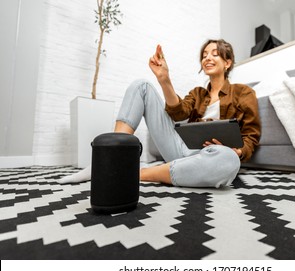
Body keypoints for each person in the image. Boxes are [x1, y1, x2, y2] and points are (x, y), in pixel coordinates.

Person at [59, 39, 260, 188]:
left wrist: (238, 151)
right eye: (204, 54)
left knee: (229, 161)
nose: (207, 57)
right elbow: (178, 113)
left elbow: (251, 136)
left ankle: (134, 173)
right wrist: (164, 79)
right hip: (181, 149)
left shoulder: (244, 93)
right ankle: (111, 159)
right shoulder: (198, 94)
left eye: (215, 53)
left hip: (213, 155)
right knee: (142, 86)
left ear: (227, 62)